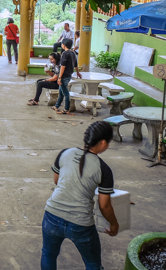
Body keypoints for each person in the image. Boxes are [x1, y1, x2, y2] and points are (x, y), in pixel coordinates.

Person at [41, 121, 119, 270]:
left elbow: (57, 181)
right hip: (81, 224)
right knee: (92, 263)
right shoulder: (104, 169)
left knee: (48, 254)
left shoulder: (65, 153)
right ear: (103, 143)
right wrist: (114, 224)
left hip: (51, 216)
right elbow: (104, 206)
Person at [53, 39, 82, 114]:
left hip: (64, 76)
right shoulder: (73, 53)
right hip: (69, 76)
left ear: (64, 45)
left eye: (62, 44)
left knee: (66, 93)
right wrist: (78, 73)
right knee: (61, 91)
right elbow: (75, 64)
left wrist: (59, 77)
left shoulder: (65, 53)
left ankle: (66, 109)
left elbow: (63, 66)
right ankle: (56, 106)